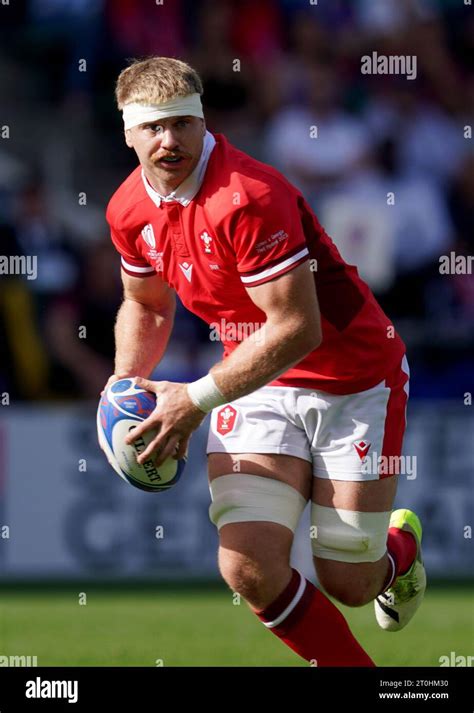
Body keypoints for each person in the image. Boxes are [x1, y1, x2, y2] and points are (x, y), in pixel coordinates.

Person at [103, 57, 426, 667]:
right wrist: (126, 381)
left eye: (182, 124)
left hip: (354, 378)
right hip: (256, 381)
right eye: (153, 128)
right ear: (127, 132)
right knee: (247, 565)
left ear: (203, 123)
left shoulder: (247, 196)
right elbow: (145, 304)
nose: (169, 140)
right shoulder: (126, 209)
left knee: (349, 582)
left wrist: (194, 398)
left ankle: (398, 553)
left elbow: (298, 328)